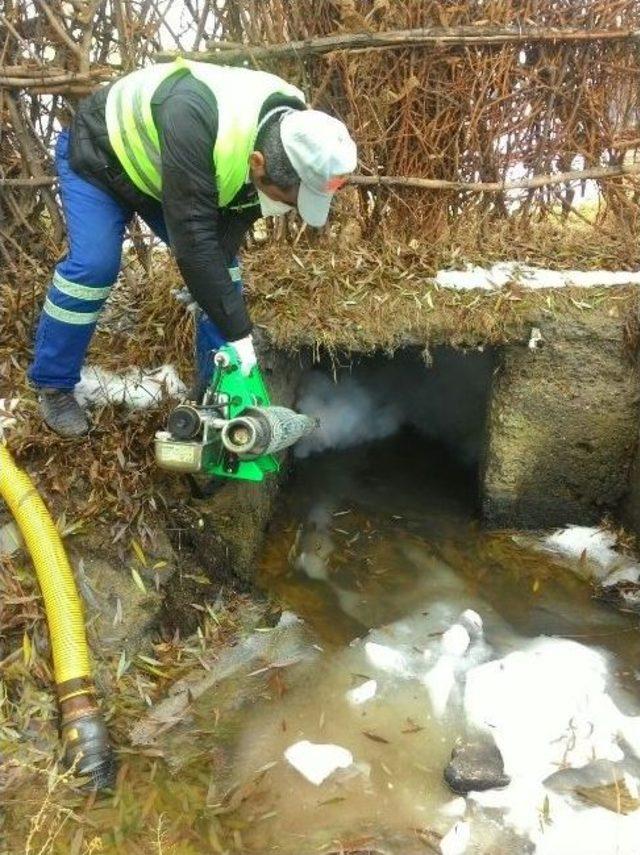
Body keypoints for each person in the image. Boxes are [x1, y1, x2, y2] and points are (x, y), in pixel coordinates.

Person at [28, 59, 357, 437]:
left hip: (166, 173)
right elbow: (194, 241)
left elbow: (232, 223)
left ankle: (216, 396)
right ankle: (53, 385)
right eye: (287, 199)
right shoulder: (194, 118)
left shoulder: (294, 130)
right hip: (101, 156)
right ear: (257, 163)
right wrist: (239, 335)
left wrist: (211, 287)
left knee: (222, 272)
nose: (286, 209)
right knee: (94, 267)